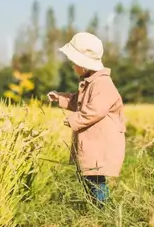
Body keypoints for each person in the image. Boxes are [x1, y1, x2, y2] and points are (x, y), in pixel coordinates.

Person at [48, 31, 126, 206]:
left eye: (74, 62)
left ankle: (103, 209)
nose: (72, 65)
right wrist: (60, 98)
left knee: (96, 180)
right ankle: (96, 207)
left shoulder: (103, 84)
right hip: (94, 143)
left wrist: (74, 119)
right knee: (89, 178)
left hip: (101, 144)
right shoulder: (91, 82)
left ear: (83, 64)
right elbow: (79, 101)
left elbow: (94, 111)